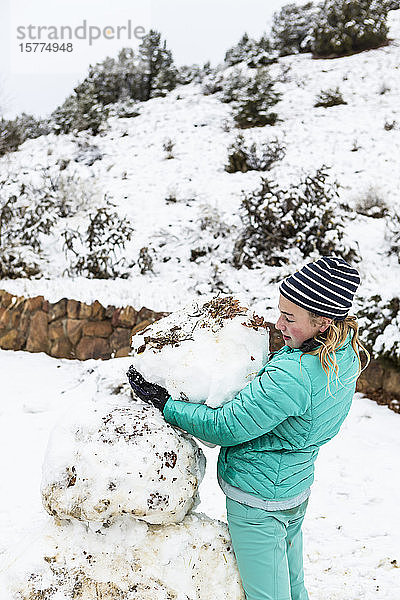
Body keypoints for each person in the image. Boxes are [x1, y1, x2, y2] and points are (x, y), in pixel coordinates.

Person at [127, 256, 370, 600]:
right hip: (293, 487)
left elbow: (226, 426)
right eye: (280, 311)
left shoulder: (294, 375)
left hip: (259, 502)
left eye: (289, 317)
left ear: (323, 322)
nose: (278, 324)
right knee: (293, 588)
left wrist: (166, 404)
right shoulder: (344, 355)